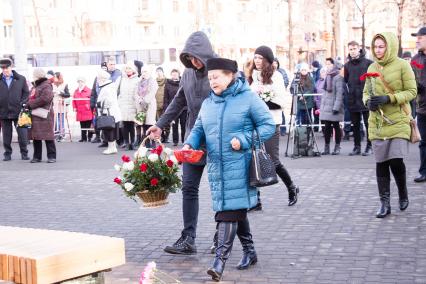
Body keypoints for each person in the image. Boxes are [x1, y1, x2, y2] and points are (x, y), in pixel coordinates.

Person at [185, 58, 275, 282]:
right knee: (235, 209)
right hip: (217, 168)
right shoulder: (208, 104)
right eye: (210, 78)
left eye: (216, 77)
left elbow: (268, 125)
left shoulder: (248, 98)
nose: (211, 81)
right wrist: (189, 144)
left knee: (228, 213)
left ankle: (219, 261)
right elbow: (198, 129)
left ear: (230, 75)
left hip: (241, 166)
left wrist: (244, 139)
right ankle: (250, 251)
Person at [147, 31, 216, 254]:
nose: (194, 62)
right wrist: (160, 124)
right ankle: (188, 238)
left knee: (221, 190)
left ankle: (222, 235)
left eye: (197, 57)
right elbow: (178, 102)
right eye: (189, 58)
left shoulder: (219, 71)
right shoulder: (187, 74)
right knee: (189, 188)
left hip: (217, 140)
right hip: (192, 140)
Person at [363, 32, 416, 218]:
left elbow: (411, 91)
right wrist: (368, 102)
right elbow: (366, 93)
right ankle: (384, 203)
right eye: (375, 46)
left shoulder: (403, 65)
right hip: (377, 122)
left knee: (395, 159)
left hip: (399, 120)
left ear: (390, 46)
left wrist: (389, 97)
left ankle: (403, 192)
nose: (377, 50)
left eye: (381, 46)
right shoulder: (371, 66)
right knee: (381, 163)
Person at [247, 45, 299, 208]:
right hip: (253, 123)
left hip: (271, 122)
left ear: (267, 60)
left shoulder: (275, 76)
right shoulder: (252, 76)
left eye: (260, 58)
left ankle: (292, 187)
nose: (257, 61)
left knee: (272, 160)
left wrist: (263, 102)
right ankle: (256, 200)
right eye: (255, 57)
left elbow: (282, 101)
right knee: (252, 160)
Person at [344, 41, 373, 156]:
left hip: (365, 98)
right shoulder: (347, 65)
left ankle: (369, 146)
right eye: (350, 49)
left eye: (354, 48)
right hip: (352, 98)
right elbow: (346, 80)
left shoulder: (368, 63)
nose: (352, 51)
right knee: (355, 124)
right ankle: (357, 147)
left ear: (359, 49)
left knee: (368, 124)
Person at [0, 58, 29, 161]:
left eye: (6, 68)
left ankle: (24, 153)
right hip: (3, 112)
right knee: (6, 136)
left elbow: (26, 93)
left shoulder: (21, 78)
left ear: (11, 67)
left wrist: (22, 104)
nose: (4, 71)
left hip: (20, 112)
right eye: (2, 68)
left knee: (22, 134)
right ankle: (7, 154)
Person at [27, 68, 56, 163]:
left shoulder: (46, 85)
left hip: (45, 114)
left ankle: (52, 156)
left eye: (34, 75)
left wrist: (31, 104)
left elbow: (45, 99)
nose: (33, 77)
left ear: (38, 76)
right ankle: (37, 157)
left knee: (48, 136)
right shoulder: (36, 85)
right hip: (36, 114)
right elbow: (31, 97)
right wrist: (25, 103)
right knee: (36, 136)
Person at [320, 58, 344, 155]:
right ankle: (326, 147)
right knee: (327, 127)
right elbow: (325, 93)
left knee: (336, 126)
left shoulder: (338, 77)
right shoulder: (328, 76)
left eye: (329, 64)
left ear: (334, 65)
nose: (328, 66)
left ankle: (337, 147)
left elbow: (339, 93)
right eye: (326, 64)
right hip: (326, 107)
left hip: (334, 106)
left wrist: (336, 107)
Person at [411, 27, 426, 183]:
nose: (417, 39)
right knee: (423, 142)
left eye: (420, 37)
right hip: (422, 108)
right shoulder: (415, 59)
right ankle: (424, 172)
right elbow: (411, 82)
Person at [96, 70, 122, 155]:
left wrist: (99, 104)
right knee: (112, 130)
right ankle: (112, 147)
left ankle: (111, 148)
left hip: (108, 113)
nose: (97, 80)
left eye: (98, 78)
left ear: (103, 79)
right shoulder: (109, 86)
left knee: (109, 130)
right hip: (112, 113)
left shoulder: (107, 87)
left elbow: (108, 101)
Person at [134, 65, 158, 148]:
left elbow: (152, 92)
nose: (143, 73)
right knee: (143, 125)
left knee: (150, 124)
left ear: (149, 72)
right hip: (140, 105)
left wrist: (145, 100)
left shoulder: (152, 81)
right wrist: (139, 99)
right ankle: (147, 144)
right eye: (143, 71)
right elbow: (135, 93)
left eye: (145, 71)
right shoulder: (138, 82)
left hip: (150, 105)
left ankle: (154, 143)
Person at [118, 62, 139, 150]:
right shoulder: (121, 79)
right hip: (123, 105)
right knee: (125, 125)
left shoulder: (137, 80)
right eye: (126, 69)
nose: (128, 70)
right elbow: (118, 92)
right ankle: (127, 143)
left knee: (131, 125)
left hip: (133, 105)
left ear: (133, 70)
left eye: (130, 68)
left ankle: (133, 143)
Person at [164, 69, 186, 146]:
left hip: (184, 108)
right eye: (173, 74)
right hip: (173, 108)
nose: (174, 75)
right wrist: (166, 108)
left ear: (178, 74)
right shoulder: (168, 84)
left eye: (176, 74)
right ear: (171, 75)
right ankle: (175, 141)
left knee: (184, 125)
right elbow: (166, 97)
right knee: (174, 125)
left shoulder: (183, 82)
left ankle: (184, 140)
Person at [90, 62, 108, 144]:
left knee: (105, 120)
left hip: (106, 102)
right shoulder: (96, 78)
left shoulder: (108, 78)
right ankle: (97, 136)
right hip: (97, 102)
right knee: (97, 120)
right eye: (102, 68)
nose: (104, 69)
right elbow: (93, 91)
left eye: (105, 68)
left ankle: (105, 138)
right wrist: (92, 103)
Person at [72, 77, 93, 142]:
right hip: (80, 110)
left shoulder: (89, 90)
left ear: (84, 82)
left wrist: (91, 107)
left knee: (88, 124)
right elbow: (74, 100)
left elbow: (92, 100)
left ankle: (89, 137)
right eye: (79, 81)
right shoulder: (76, 91)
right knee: (82, 124)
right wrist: (74, 107)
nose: (80, 83)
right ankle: (83, 138)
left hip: (87, 110)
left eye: (82, 81)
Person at [52, 72, 70, 142]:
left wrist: (60, 93)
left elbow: (68, 94)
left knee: (61, 120)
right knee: (55, 120)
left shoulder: (64, 84)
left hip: (61, 104)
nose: (54, 78)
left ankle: (62, 135)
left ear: (59, 77)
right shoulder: (52, 84)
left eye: (55, 76)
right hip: (54, 104)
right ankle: (56, 134)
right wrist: (52, 93)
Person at [155, 67, 169, 143]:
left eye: (160, 71)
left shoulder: (167, 81)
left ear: (163, 72)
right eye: (157, 72)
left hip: (165, 104)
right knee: (158, 121)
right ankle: (161, 136)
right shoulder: (154, 81)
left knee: (166, 121)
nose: (159, 73)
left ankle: (166, 137)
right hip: (157, 104)